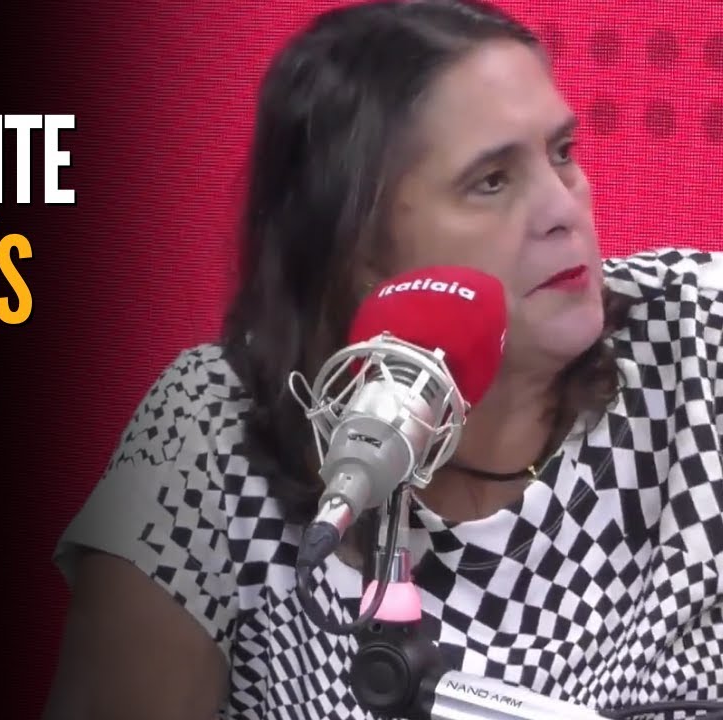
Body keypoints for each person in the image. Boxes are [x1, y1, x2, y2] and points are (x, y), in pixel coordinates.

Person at [40, 1, 723, 718]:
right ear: (358, 248)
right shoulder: (210, 428)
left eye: (562, 152)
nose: (563, 208)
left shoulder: (699, 338)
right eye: (492, 181)